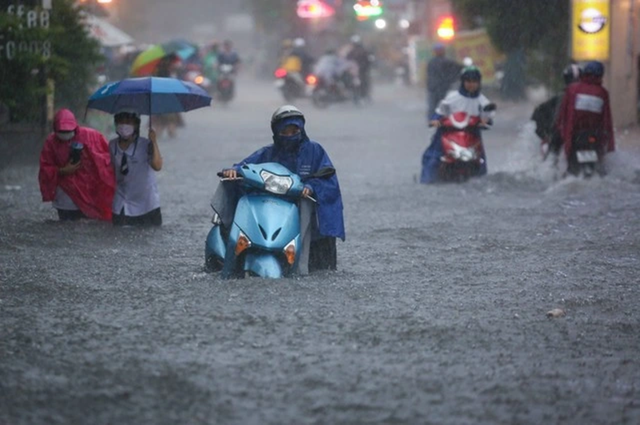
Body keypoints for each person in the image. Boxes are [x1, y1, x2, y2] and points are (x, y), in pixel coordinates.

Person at [213, 105, 345, 273]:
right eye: (285, 132)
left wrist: (311, 187)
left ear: (302, 129)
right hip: (275, 217)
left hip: (308, 222)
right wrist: (233, 171)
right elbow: (246, 166)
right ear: (276, 133)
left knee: (320, 272)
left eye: (294, 130)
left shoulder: (315, 151)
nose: (289, 136)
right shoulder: (268, 153)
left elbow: (328, 180)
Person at [420, 66, 494, 184]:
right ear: (463, 82)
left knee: (481, 160)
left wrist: (486, 122)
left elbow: (488, 118)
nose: (471, 84)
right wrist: (435, 120)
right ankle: (427, 180)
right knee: (432, 156)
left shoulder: (483, 101)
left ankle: (481, 180)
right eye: (468, 81)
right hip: (449, 131)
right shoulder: (452, 98)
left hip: (472, 134)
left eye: (474, 81)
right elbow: (440, 112)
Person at [38, 109, 115, 221]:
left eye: (68, 131)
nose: (65, 134)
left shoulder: (90, 136)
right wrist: (62, 170)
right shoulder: (51, 142)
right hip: (65, 196)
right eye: (62, 131)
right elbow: (45, 169)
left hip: (88, 192)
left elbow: (106, 158)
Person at [555, 60, 615, 175]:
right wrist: (608, 144)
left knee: (566, 168)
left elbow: (564, 115)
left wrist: (561, 132)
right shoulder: (603, 92)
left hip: (575, 136)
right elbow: (606, 120)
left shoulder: (572, 89)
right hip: (594, 137)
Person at [109, 110, 164, 226]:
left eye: (128, 122)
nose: (124, 125)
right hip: (122, 204)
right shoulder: (112, 145)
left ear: (135, 125)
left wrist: (153, 142)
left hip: (147, 205)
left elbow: (157, 165)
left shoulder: (145, 144)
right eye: (121, 121)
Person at [531, 64, 581, 160]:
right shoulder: (561, 98)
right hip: (566, 133)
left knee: (552, 155)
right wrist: (545, 135)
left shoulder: (561, 97)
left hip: (576, 134)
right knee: (552, 154)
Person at [426, 43, 463, 119]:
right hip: (435, 88)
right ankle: (434, 119)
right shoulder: (432, 62)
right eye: (437, 50)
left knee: (443, 105)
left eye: (440, 50)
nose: (439, 51)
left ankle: (444, 119)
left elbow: (458, 70)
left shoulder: (447, 61)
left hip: (442, 87)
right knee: (434, 105)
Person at [346, 35, 375, 101]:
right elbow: (347, 59)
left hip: (363, 69)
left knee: (365, 80)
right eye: (354, 44)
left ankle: (365, 93)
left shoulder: (364, 51)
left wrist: (368, 64)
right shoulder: (351, 52)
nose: (356, 45)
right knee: (349, 80)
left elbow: (369, 59)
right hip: (354, 71)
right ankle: (351, 93)